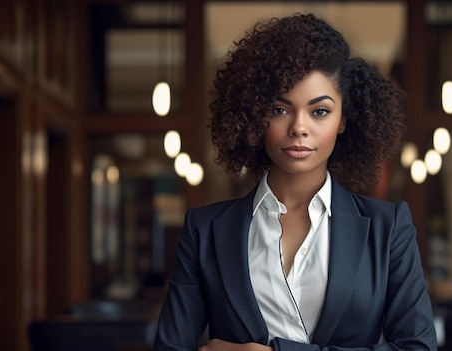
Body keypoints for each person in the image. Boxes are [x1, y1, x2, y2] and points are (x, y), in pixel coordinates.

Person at [154, 13, 437, 351]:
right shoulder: (205, 230)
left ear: (344, 120)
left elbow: (418, 347)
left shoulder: (387, 228)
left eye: (319, 111)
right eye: (280, 109)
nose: (299, 128)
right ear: (255, 115)